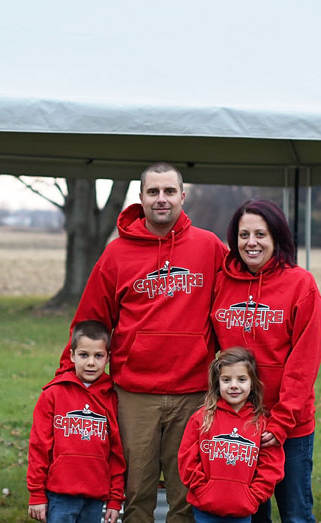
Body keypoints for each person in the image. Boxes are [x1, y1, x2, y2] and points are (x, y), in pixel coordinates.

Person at [61, 162, 228, 523]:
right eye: (153, 192)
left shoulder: (210, 247)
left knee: (186, 494)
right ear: (140, 198)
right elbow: (90, 320)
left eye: (169, 191)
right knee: (136, 493)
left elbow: (236, 296)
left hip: (193, 391)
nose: (161, 199)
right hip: (135, 393)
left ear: (183, 196)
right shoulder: (117, 254)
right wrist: (67, 381)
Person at [211, 199, 321, 523]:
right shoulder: (223, 283)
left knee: (296, 514)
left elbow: (304, 361)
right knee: (250, 514)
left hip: (291, 427)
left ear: (277, 237)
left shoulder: (302, 285)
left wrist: (283, 421)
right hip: (239, 422)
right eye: (244, 235)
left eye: (260, 234)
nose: (252, 242)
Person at [28, 320, 125, 523]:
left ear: (108, 358)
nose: (91, 362)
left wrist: (115, 499)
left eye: (98, 356)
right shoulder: (53, 395)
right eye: (84, 355)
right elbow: (39, 447)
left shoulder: (112, 397)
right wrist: (36, 493)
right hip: (59, 495)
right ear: (72, 356)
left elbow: (117, 452)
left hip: (95, 497)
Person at [177, 347, 285, 523]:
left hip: (242, 511)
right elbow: (187, 458)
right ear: (218, 382)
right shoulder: (202, 419)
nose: (234, 385)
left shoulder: (261, 423)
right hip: (205, 509)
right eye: (226, 380)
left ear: (252, 383)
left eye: (242, 379)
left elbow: (271, 466)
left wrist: (253, 496)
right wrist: (202, 490)